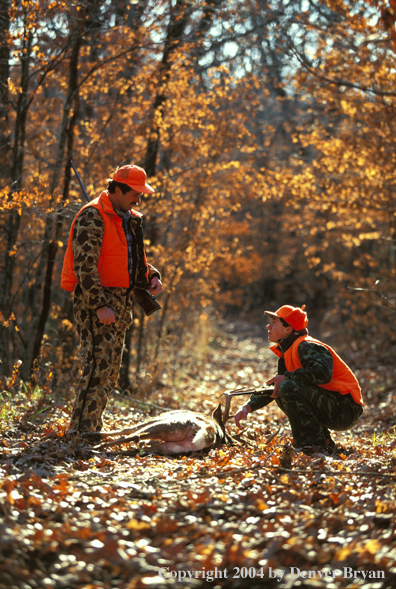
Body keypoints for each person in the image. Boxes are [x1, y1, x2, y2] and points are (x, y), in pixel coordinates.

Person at [61, 164, 162, 433]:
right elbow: (85, 266)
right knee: (96, 367)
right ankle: (80, 433)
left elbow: (127, 258)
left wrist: (150, 275)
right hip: (98, 302)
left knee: (110, 370)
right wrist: (100, 305)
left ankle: (92, 426)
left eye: (140, 194)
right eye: (134, 193)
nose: (138, 199)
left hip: (122, 301)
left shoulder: (127, 217)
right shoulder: (92, 216)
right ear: (117, 189)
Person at [234, 305, 363, 454]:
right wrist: (248, 406)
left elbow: (322, 374)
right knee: (283, 389)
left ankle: (310, 445)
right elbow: (276, 385)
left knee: (287, 387)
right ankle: (322, 442)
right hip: (334, 405)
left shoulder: (307, 346)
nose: (268, 326)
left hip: (346, 408)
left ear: (288, 329)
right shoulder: (289, 350)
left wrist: (287, 377)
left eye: (274, 322)